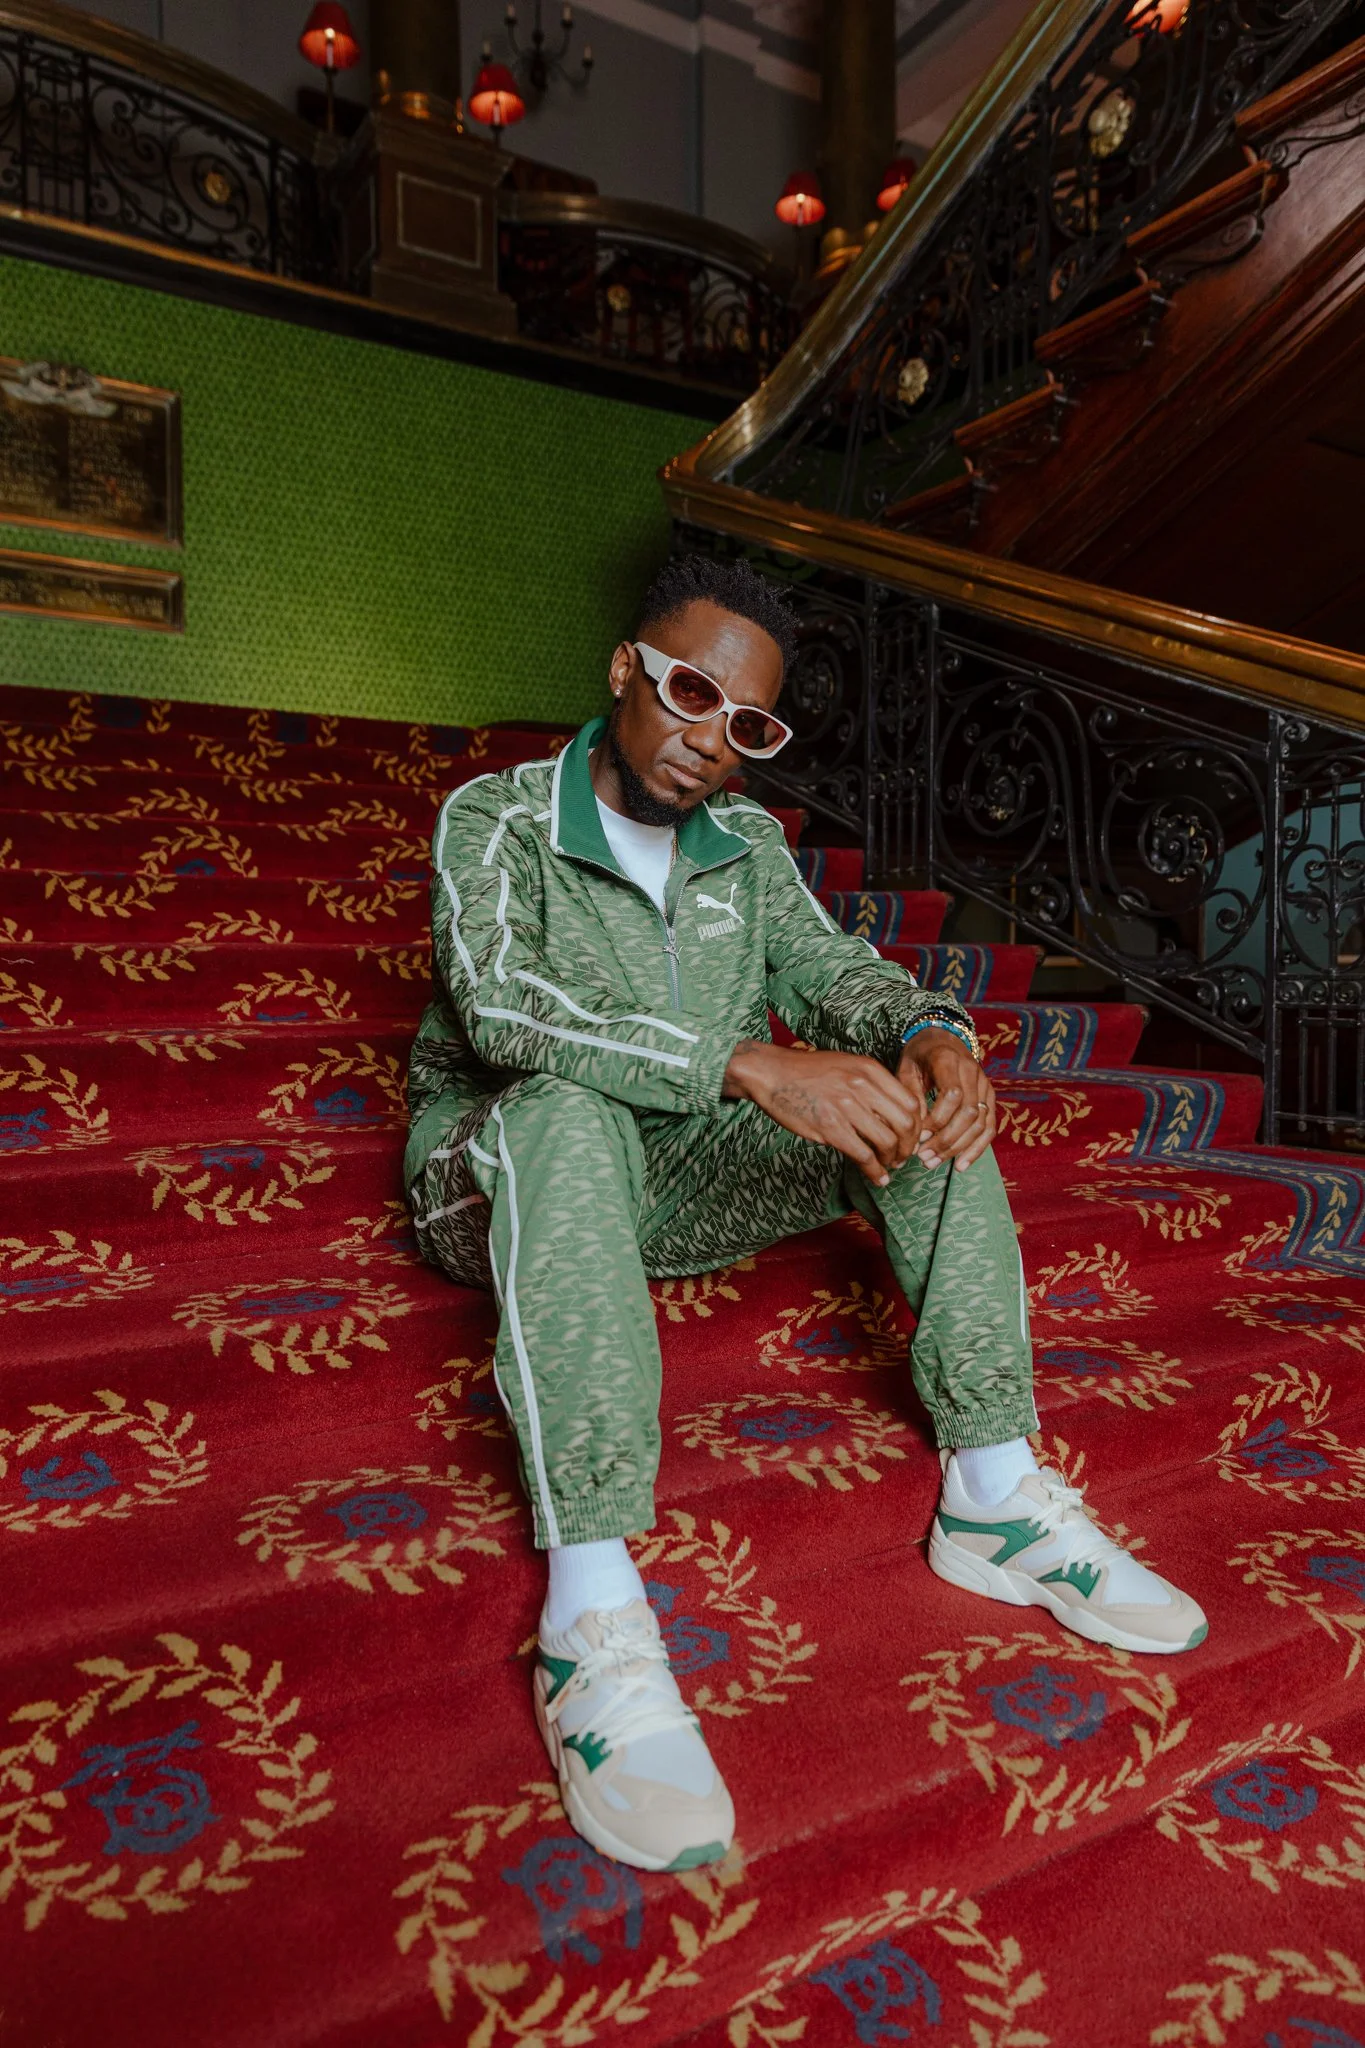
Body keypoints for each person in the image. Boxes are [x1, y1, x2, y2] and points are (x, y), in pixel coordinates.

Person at [405, 554, 1207, 1874]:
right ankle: (592, 1614)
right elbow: (506, 1012)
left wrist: (932, 1035)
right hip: (503, 1168)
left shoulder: (751, 846)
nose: (708, 741)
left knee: (914, 1111)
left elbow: (836, 967)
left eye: (748, 725)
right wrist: (742, 1061)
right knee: (559, 1108)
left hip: (676, 1175)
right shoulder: (494, 820)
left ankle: (995, 1494)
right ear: (624, 671)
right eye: (685, 693)